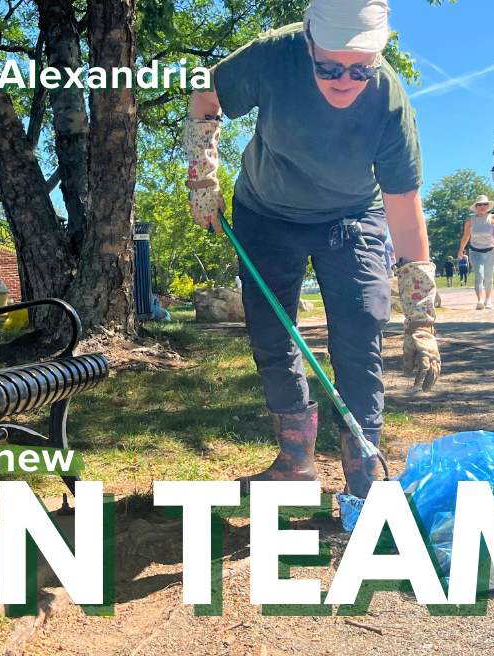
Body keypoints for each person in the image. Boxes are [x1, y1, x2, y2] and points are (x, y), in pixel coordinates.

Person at [184, 0, 440, 499]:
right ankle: (294, 463)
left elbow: (405, 212)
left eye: (359, 69)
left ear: (377, 56)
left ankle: (364, 476)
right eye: (329, 67)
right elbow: (204, 95)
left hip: (353, 215)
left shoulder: (388, 101)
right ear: (308, 43)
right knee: (272, 332)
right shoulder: (272, 55)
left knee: (361, 328)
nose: (344, 80)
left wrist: (421, 322)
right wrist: (202, 178)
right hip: (266, 211)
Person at [457, 194, 494, 309]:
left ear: (488, 206)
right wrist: (460, 250)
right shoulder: (470, 221)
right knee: (479, 274)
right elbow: (466, 237)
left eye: (485, 204)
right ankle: (480, 300)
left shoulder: (493, 218)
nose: (482, 206)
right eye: (480, 204)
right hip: (475, 251)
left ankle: (488, 299)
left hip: (490, 250)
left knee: (489, 275)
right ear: (476, 207)